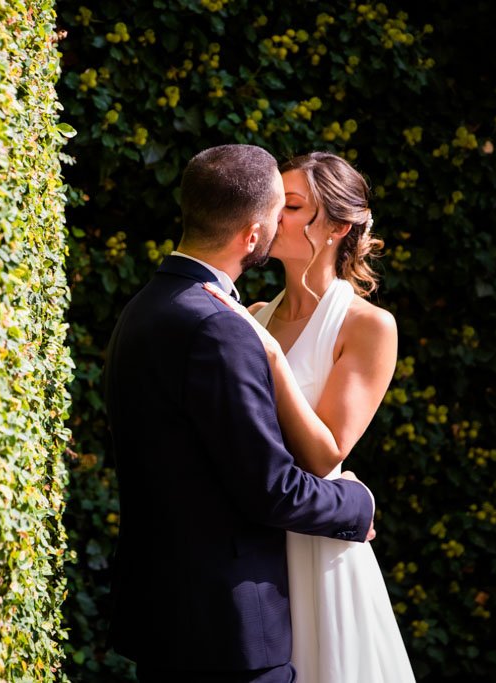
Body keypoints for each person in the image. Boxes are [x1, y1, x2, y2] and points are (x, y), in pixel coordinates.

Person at [104, 144, 376, 683]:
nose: (281, 226)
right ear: (252, 235)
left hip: (168, 610)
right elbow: (269, 486)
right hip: (227, 623)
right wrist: (357, 503)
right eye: (280, 213)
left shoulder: (145, 306)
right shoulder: (221, 324)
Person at [205, 151, 415, 681]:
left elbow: (326, 454)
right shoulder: (254, 315)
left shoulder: (369, 327)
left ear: (339, 226)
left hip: (321, 553)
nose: (274, 215)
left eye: (293, 205)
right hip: (257, 553)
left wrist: (271, 355)